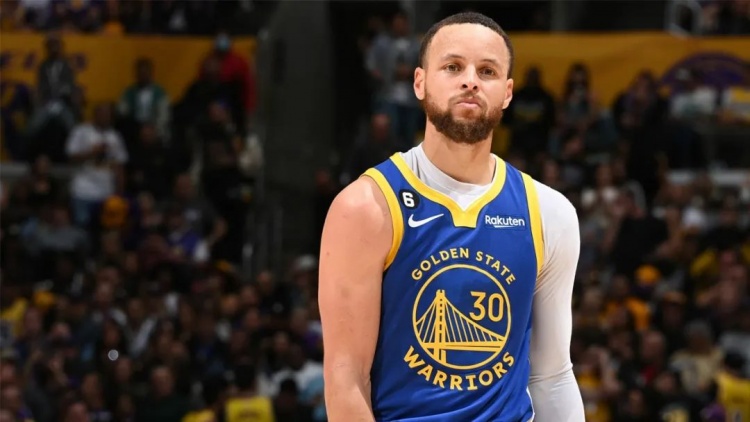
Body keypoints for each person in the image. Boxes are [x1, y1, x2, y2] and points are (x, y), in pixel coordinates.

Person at [319, 12, 585, 421]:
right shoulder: (365, 207)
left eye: (487, 71)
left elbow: (552, 376)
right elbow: (346, 379)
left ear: (507, 93)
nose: (470, 81)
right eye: (453, 67)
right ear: (420, 82)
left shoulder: (549, 212)